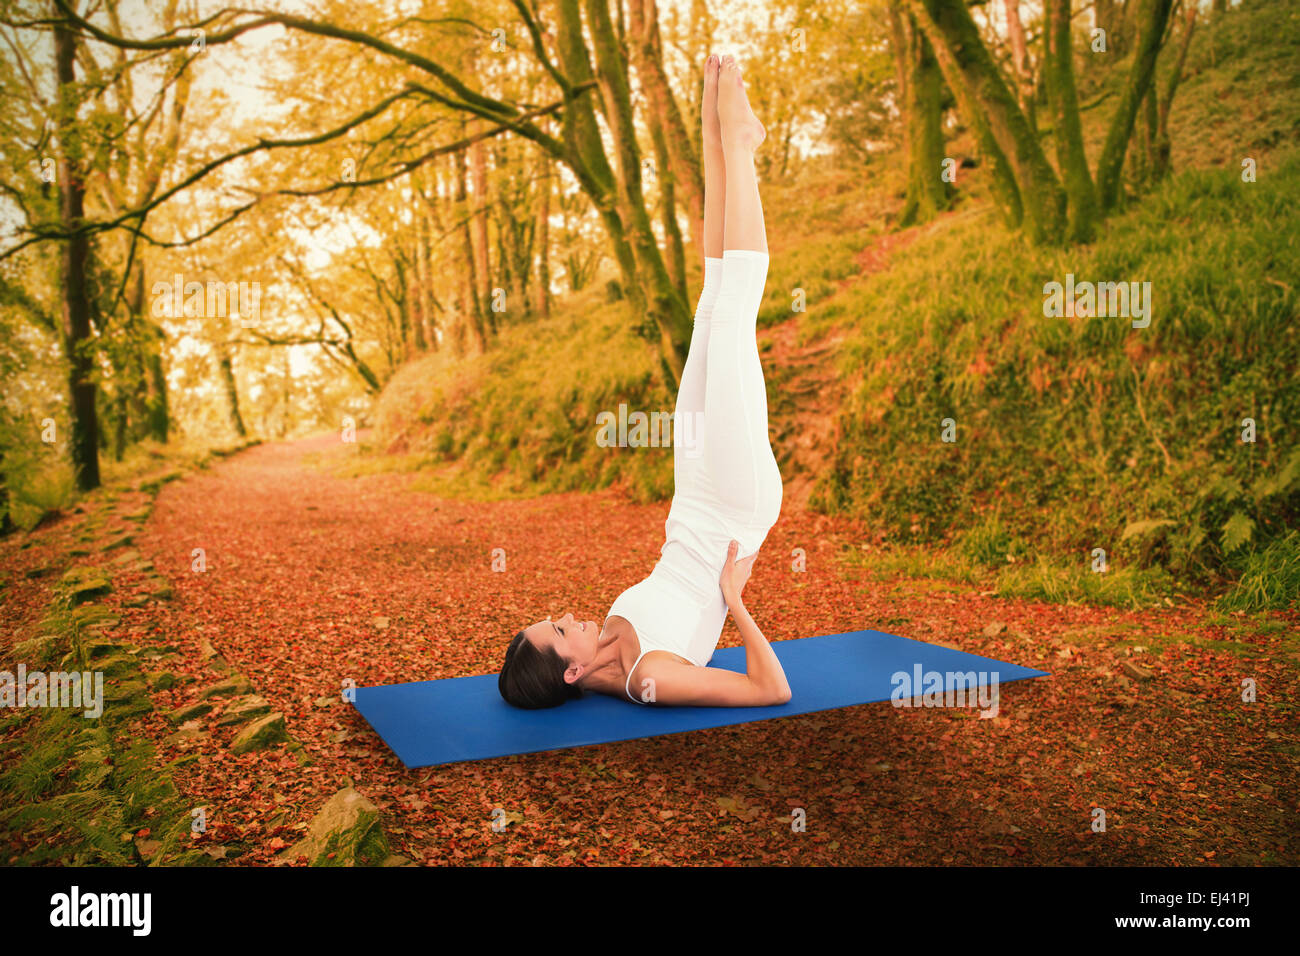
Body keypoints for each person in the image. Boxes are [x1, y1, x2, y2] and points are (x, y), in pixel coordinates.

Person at [499, 54, 789, 709]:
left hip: (692, 496)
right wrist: (736, 601)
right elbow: (771, 690)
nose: (566, 616)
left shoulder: (608, 631)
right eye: (558, 630)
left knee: (711, 303)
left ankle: (720, 142)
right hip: (738, 509)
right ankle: (739, 147)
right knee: (738, 306)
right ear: (571, 672)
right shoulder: (648, 676)